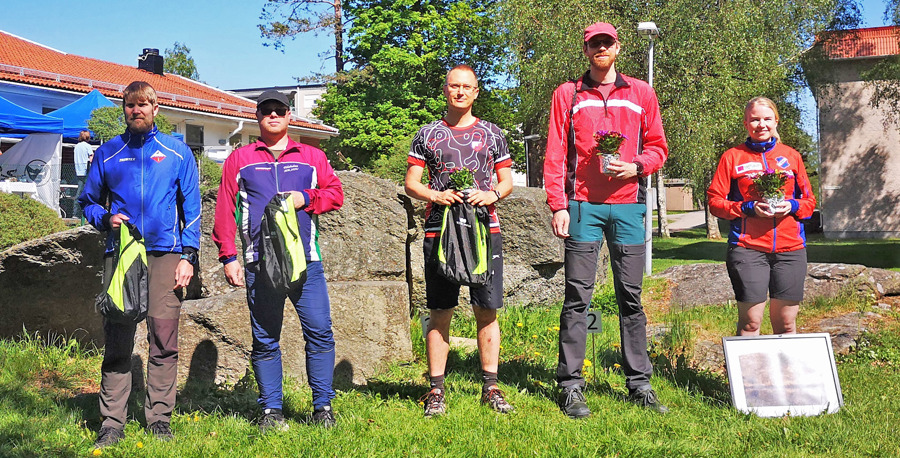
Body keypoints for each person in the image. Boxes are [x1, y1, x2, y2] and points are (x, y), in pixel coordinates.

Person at [543, 22, 670, 418]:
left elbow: (658, 147)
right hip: (582, 206)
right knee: (577, 296)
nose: (601, 49)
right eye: (594, 44)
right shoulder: (568, 94)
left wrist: (637, 166)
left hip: (629, 207)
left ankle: (640, 384)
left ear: (617, 48)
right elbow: (554, 154)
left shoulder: (641, 93)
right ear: (586, 51)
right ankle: (570, 385)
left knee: (630, 297)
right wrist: (557, 204)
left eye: (607, 43)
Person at [212, 90, 344, 431]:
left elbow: (335, 194)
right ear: (258, 117)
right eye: (266, 111)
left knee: (320, 333)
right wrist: (229, 257)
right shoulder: (239, 159)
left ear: (290, 116)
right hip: (260, 263)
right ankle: (271, 411)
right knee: (266, 338)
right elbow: (225, 211)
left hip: (306, 262)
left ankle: (323, 408)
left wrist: (306, 197)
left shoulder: (312, 156)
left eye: (280, 110)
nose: (273, 115)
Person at [79, 81, 201, 448]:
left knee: (163, 340)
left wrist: (189, 257)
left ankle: (159, 419)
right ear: (124, 110)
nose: (137, 110)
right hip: (122, 257)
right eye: (131, 105)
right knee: (118, 340)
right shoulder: (108, 154)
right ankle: (112, 422)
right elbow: (87, 202)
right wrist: (105, 219)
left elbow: (192, 211)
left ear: (156, 108)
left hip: (166, 256)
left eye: (144, 104)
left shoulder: (178, 153)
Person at [405, 64, 515, 417]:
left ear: (476, 91)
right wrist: (435, 197)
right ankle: (436, 389)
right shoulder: (427, 135)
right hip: (440, 233)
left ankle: (491, 386)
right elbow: (412, 182)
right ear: (446, 90)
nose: (460, 92)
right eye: (454, 86)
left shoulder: (493, 134)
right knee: (440, 311)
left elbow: (507, 181)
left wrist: (492, 194)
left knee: (487, 310)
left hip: (484, 233)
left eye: (467, 87)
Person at [708, 97, 816, 336]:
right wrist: (746, 208)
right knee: (751, 322)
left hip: (790, 249)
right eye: (755, 119)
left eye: (767, 119)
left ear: (775, 121)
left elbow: (809, 203)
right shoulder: (732, 157)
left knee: (787, 323)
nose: (761, 124)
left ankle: (784, 374)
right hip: (748, 248)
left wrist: (792, 205)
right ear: (746, 123)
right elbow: (715, 202)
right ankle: (749, 374)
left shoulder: (791, 156)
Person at [73, 129, 93, 219]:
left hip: (78, 171)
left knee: (79, 191)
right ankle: (80, 213)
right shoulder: (87, 146)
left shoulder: (76, 146)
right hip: (86, 171)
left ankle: (75, 213)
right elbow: (91, 158)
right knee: (85, 192)